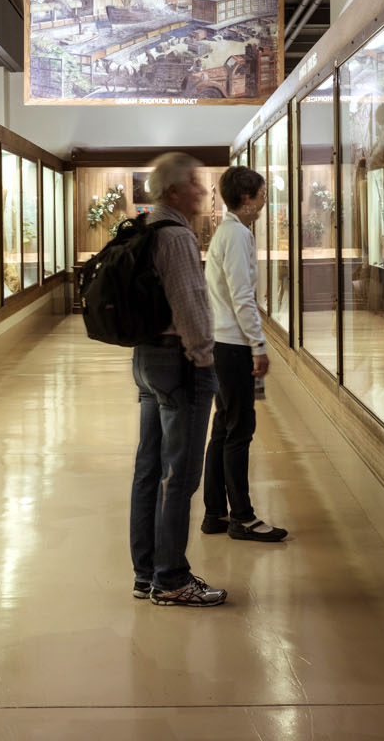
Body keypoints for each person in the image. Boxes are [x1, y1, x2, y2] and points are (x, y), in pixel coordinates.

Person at [129, 152, 228, 606]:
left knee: (149, 469)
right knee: (180, 475)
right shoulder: (177, 237)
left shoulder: (148, 228)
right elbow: (190, 305)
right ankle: (171, 579)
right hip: (180, 365)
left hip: (148, 360)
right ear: (172, 191)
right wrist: (205, 361)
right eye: (194, 182)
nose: (203, 190)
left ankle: (146, 571)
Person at [200, 166, 287, 542]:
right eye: (263, 193)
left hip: (223, 343)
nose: (266, 199)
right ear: (248, 198)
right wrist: (258, 345)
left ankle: (215, 513)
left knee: (223, 428)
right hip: (233, 345)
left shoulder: (230, 232)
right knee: (239, 430)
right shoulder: (236, 234)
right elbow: (242, 297)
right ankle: (242, 517)